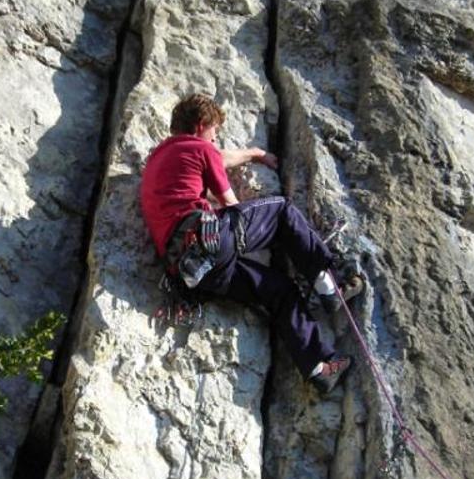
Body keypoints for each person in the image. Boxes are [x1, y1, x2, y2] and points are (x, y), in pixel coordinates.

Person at [140, 93, 363, 393]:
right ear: (200, 125)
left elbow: (221, 157)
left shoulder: (160, 159)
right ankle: (329, 286)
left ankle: (318, 369)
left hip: (190, 273)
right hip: (210, 239)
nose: (215, 138)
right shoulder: (199, 148)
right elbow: (231, 204)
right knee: (282, 211)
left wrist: (255, 153)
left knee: (279, 290)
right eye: (214, 131)